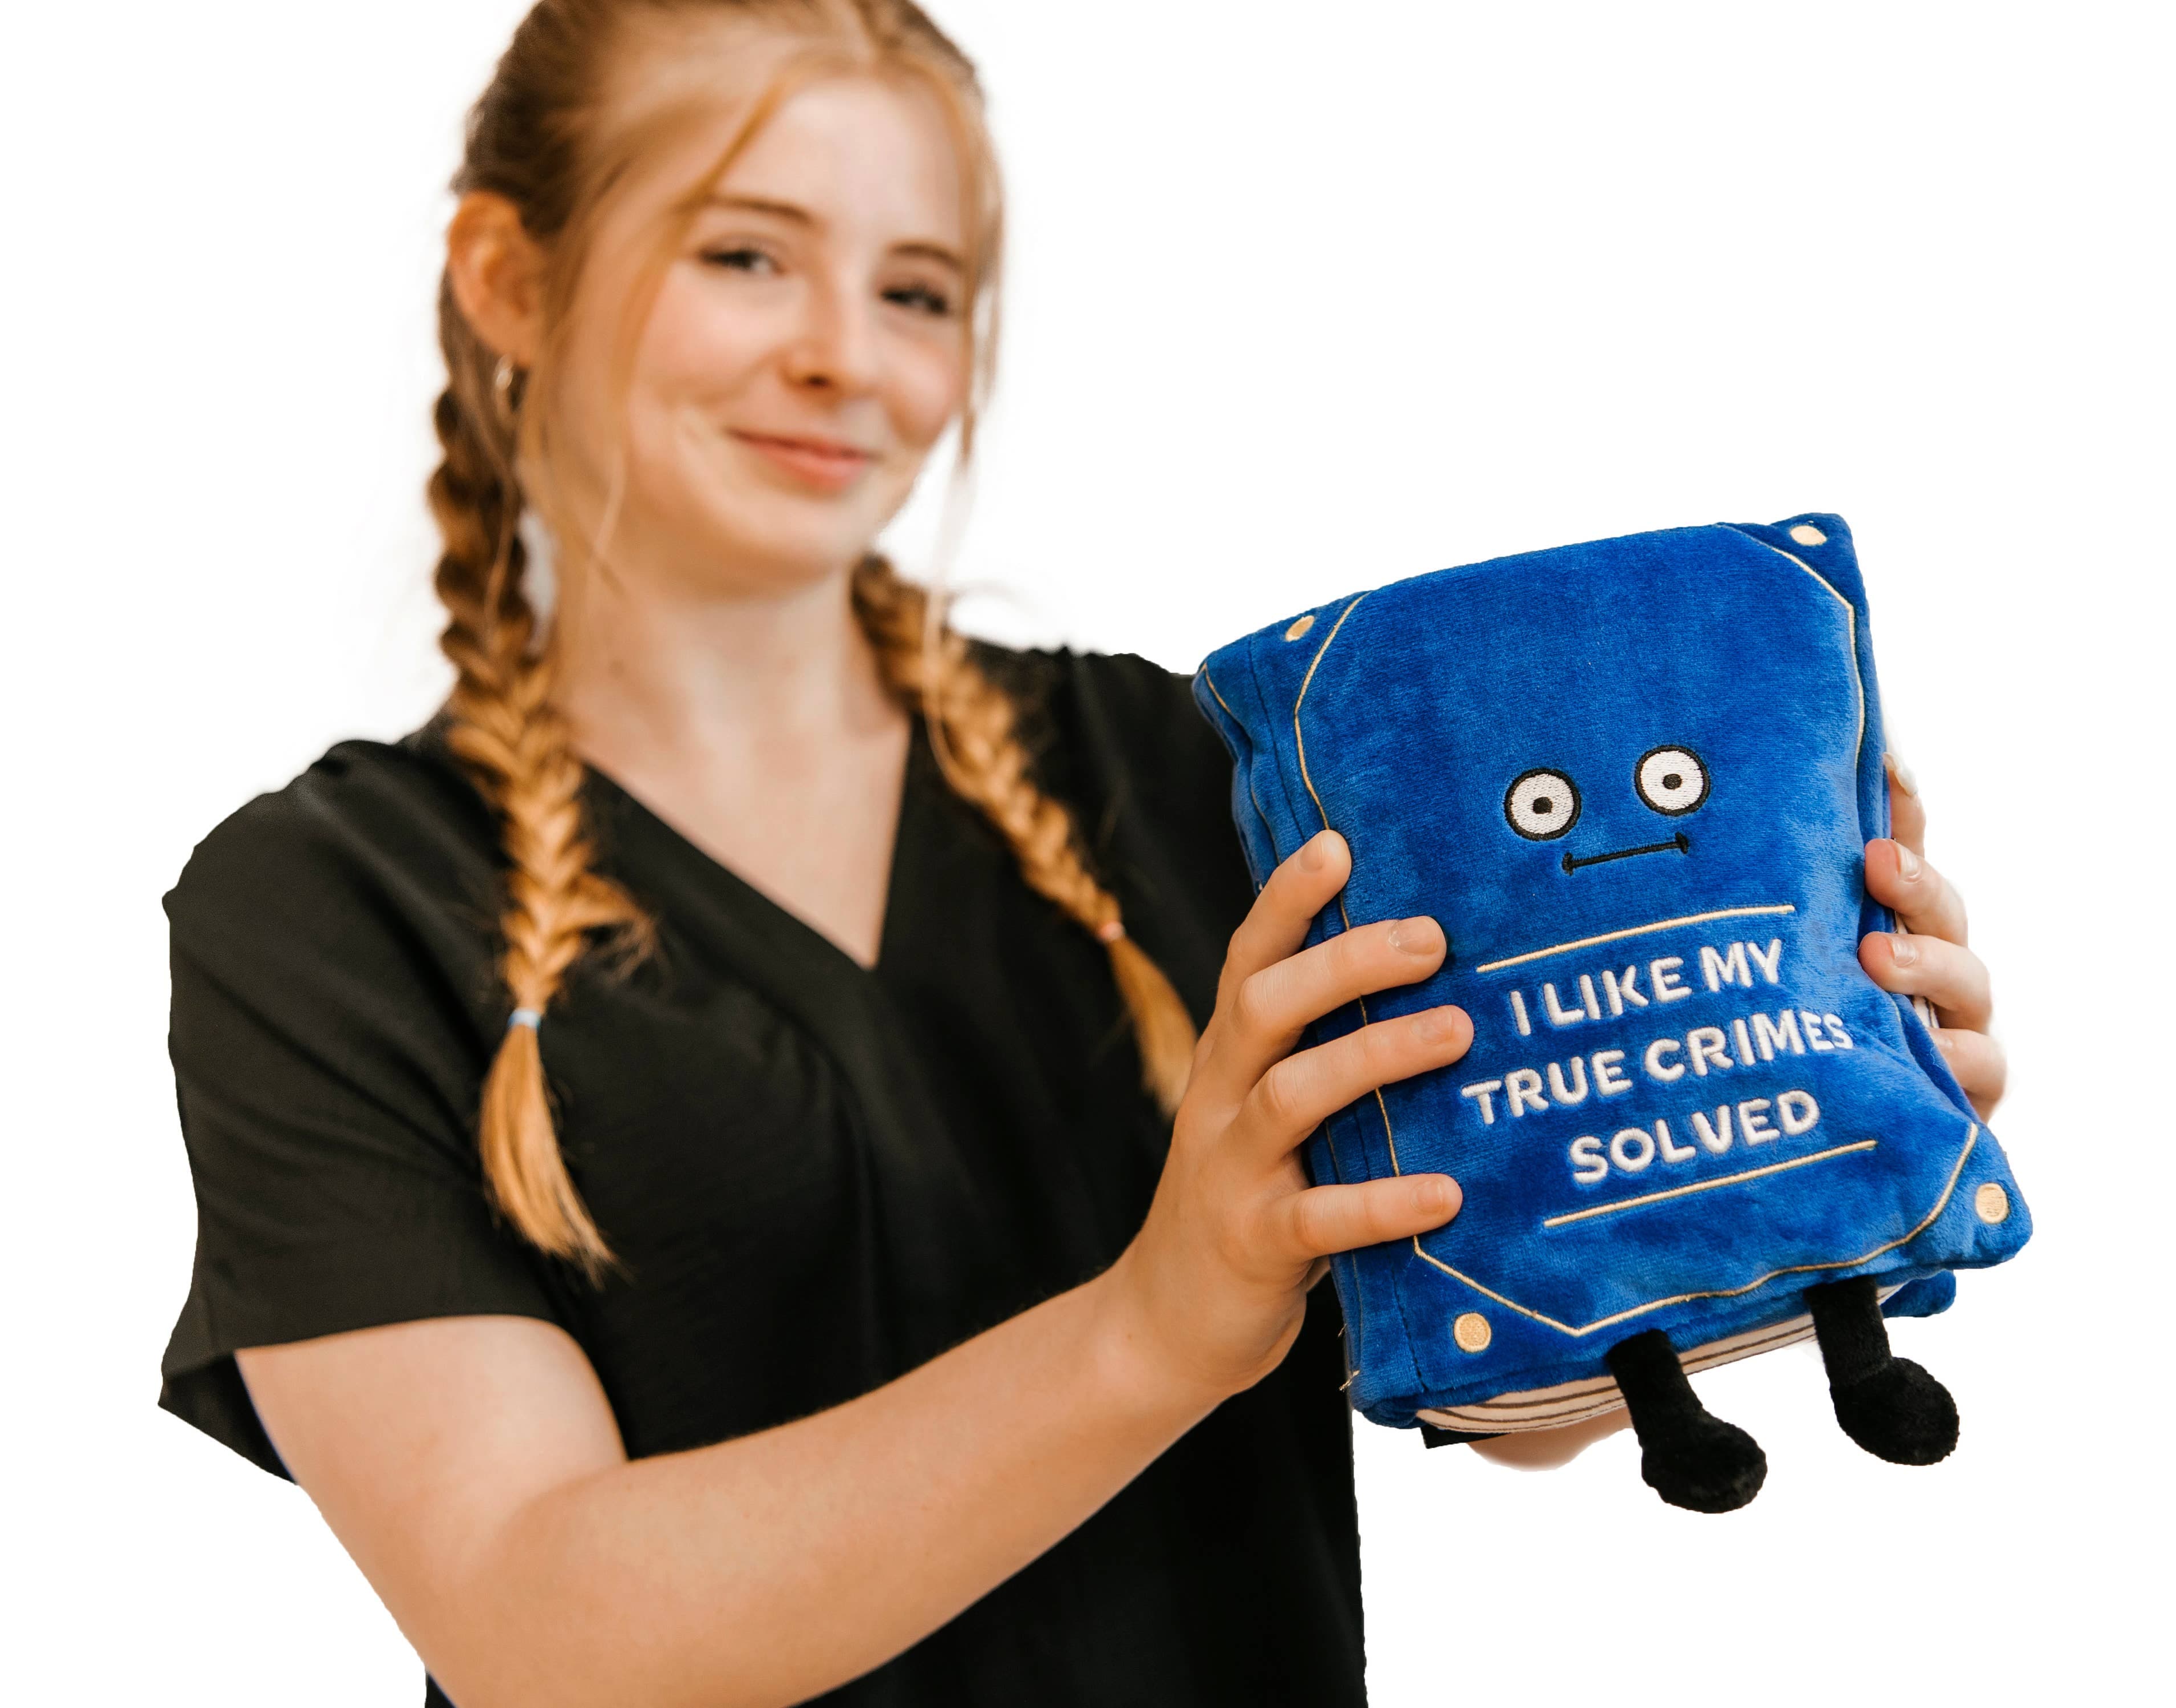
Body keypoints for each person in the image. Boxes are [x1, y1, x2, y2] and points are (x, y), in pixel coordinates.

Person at [156, 2, 2008, 1703]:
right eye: (743, 256)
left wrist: (1773, 1124)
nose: (844, 357)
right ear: (509, 275)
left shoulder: (1197, 775)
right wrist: (1153, 1328)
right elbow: (537, 1624)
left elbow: (1474, 1349)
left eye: (918, 290)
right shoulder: (325, 914)